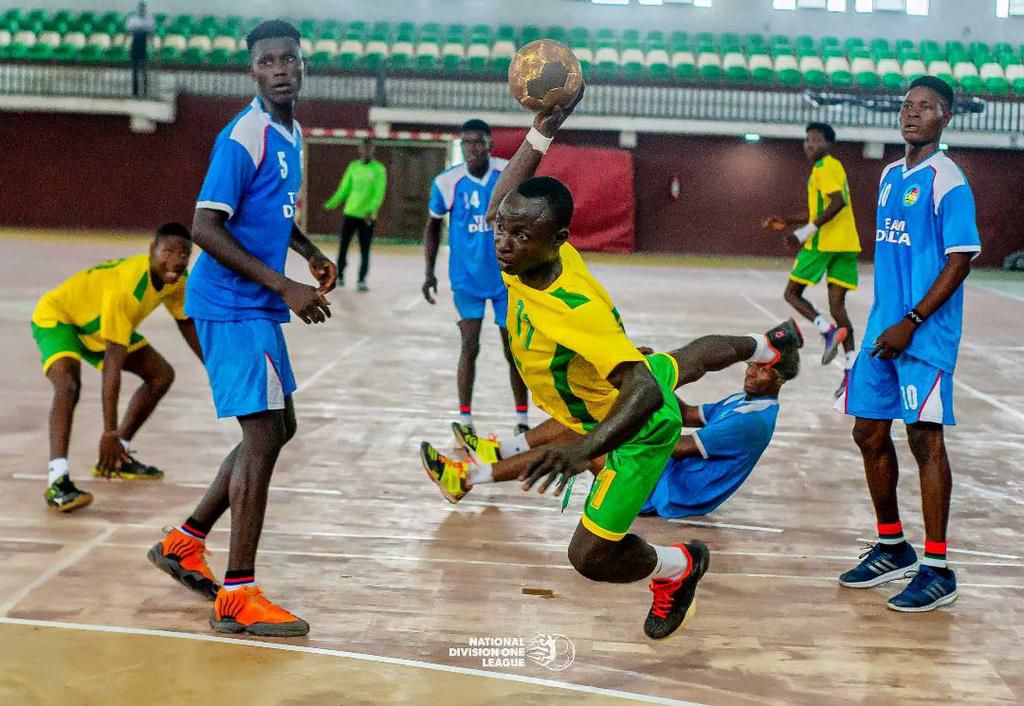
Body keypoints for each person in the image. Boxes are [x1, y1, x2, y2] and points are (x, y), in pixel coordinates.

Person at [420, 88, 803, 640]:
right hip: (595, 393)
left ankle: (682, 566)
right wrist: (542, 128)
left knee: (591, 555)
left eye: (518, 234)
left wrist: (583, 450)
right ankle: (764, 345)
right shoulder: (525, 256)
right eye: (502, 229)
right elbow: (504, 199)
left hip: (634, 426)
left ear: (558, 241)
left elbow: (644, 391)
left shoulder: (574, 309)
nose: (502, 241)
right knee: (686, 361)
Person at [147, 20, 337, 637]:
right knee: (262, 434)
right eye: (267, 62)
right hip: (230, 302)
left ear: (303, 65)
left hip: (255, 302)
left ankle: (185, 541)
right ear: (253, 72)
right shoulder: (244, 134)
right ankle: (238, 595)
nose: (280, 69)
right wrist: (285, 284)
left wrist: (305, 250)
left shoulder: (291, 129)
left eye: (289, 59)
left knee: (279, 427)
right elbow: (205, 226)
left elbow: (269, 208)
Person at [835, 76, 980, 613]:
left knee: (925, 441)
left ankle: (938, 568)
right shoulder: (891, 176)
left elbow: (960, 260)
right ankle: (892, 546)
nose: (912, 113)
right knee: (868, 432)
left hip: (924, 333)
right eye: (907, 105)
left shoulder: (949, 180)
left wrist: (913, 320)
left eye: (926, 107)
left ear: (946, 119)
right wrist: (887, 322)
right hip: (883, 328)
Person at [426, 337, 798, 520]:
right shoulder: (742, 401)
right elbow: (686, 414)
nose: (752, 370)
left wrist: (630, 406)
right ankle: (499, 452)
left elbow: (675, 446)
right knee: (597, 414)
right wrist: (643, 375)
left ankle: (468, 477)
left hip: (669, 490)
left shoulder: (752, 422)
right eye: (752, 365)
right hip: (665, 473)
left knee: (591, 443)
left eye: (763, 369)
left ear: (779, 378)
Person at [31, 222, 203, 512]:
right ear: (152, 250)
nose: (175, 261)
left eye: (183, 254)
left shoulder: (178, 280)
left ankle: (116, 456)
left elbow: (186, 322)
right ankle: (58, 482)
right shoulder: (126, 288)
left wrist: (214, 369)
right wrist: (108, 431)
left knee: (161, 375)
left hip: (104, 326)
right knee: (68, 386)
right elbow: (112, 366)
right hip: (61, 318)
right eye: (168, 251)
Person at [421, 119, 530, 435]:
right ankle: (465, 420)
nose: (472, 148)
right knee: (469, 346)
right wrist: (429, 273)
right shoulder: (447, 182)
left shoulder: (507, 174)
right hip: (466, 279)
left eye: (478, 142)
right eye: (466, 143)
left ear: (489, 144)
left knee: (513, 350)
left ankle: (522, 419)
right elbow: (432, 227)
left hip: (505, 280)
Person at [762, 122, 860, 397]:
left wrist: (803, 233)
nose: (810, 145)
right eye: (807, 140)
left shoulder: (823, 167)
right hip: (846, 243)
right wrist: (789, 222)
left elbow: (837, 202)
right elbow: (823, 208)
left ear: (829, 144)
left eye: (816, 140)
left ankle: (826, 330)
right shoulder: (835, 167)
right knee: (838, 306)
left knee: (792, 293)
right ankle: (851, 371)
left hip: (824, 243)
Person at [323, 138, 387, 291]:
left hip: (367, 216)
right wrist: (331, 203)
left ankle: (361, 279)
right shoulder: (353, 167)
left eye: (369, 149)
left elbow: (379, 192)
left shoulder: (379, 169)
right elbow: (344, 188)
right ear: (360, 149)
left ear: (373, 150)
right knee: (343, 247)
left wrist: (371, 210)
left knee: (365, 249)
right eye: (364, 148)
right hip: (350, 213)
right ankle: (340, 276)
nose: (366, 152)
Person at [126, 1, 155, 98]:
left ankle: (145, 92)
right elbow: (128, 33)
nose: (142, 10)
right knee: (134, 72)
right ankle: (135, 93)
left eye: (143, 8)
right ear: (138, 9)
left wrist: (153, 47)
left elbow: (151, 35)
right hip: (135, 46)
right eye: (140, 8)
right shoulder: (133, 20)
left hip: (144, 47)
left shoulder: (149, 20)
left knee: (144, 71)